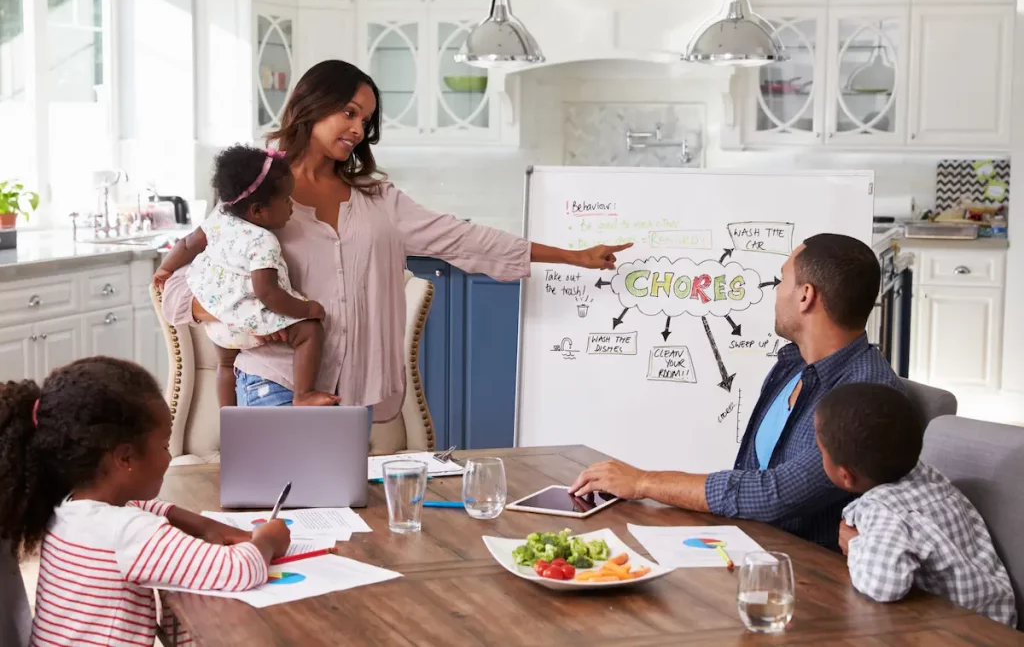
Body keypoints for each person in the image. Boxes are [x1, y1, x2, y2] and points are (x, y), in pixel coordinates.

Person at [159, 60, 630, 413]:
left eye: (365, 121)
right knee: (282, 524)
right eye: (348, 112)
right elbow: (178, 286)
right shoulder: (257, 194)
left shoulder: (378, 201)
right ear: (311, 105)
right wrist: (224, 307)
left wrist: (573, 255)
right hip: (274, 383)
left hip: (353, 394)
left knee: (342, 529)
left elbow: (466, 240)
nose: (358, 129)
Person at [570, 234, 904, 549]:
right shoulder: (792, 363)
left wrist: (643, 482)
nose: (775, 290)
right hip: (750, 546)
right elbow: (751, 477)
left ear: (806, 295)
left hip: (807, 578)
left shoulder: (867, 394)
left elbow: (774, 494)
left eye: (782, 279)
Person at [0, 357, 291, 646]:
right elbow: (237, 569)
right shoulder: (128, 532)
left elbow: (143, 509)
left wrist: (205, 525)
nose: (169, 457)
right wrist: (267, 540)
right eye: (165, 445)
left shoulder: (66, 504)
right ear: (125, 458)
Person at [816, 383, 1016, 626]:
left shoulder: (884, 511)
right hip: (996, 619)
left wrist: (855, 544)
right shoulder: (928, 476)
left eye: (820, 452)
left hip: (956, 632)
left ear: (846, 475)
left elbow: (885, 586)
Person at [154, 145, 336, 408]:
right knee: (309, 332)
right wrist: (307, 309)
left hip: (218, 323)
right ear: (258, 211)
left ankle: (228, 415)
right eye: (286, 200)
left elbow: (188, 244)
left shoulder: (220, 216)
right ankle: (304, 394)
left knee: (226, 365)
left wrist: (165, 269)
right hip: (249, 315)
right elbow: (268, 293)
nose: (291, 207)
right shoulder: (262, 240)